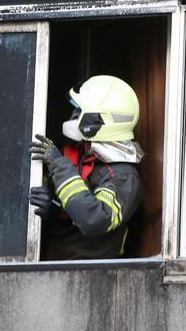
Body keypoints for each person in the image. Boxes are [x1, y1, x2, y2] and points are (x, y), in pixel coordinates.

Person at [29, 75, 144, 260]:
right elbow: (76, 206)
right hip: (53, 263)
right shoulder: (82, 154)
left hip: (88, 274)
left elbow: (93, 220)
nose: (73, 116)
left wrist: (58, 165)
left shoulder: (124, 178)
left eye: (79, 111)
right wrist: (53, 209)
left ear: (97, 121)